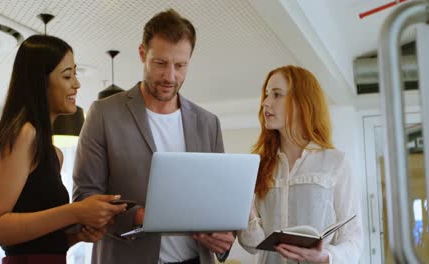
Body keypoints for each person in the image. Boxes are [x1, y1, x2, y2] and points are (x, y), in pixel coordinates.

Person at [72, 8, 235, 264]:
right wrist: (141, 216)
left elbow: (217, 200)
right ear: (142, 54)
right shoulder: (104, 114)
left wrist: (223, 237)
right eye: (160, 63)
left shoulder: (208, 123)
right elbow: (85, 197)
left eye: (180, 65)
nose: (170, 76)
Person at [0, 35, 127, 264]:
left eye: (75, 74)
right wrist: (76, 211)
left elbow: (36, 243)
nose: (76, 84)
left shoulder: (54, 154)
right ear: (41, 82)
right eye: (67, 75)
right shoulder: (24, 135)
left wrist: (75, 236)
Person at [238, 65, 362, 263]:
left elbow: (353, 239)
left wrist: (325, 257)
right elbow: (253, 245)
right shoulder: (257, 166)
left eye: (277, 95)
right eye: (267, 95)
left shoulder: (336, 163)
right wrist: (248, 211)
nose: (266, 103)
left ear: (301, 102)